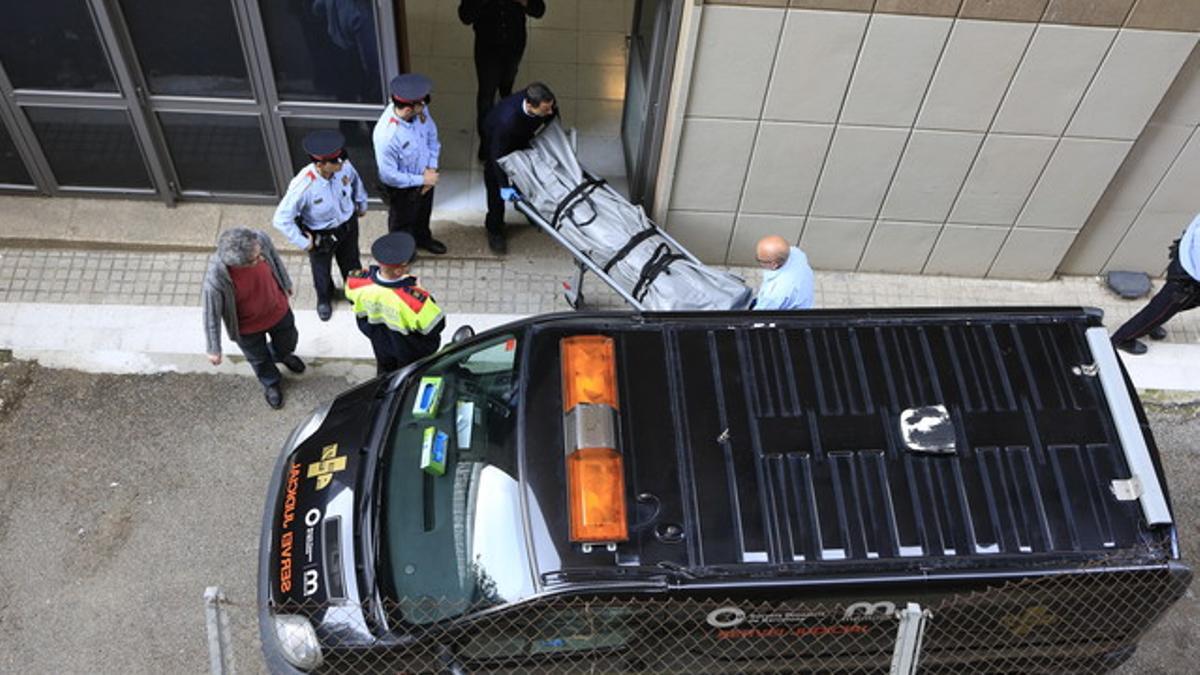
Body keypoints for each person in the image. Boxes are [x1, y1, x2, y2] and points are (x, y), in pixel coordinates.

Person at [203, 228, 306, 410]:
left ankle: (281, 355)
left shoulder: (260, 240)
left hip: (278, 309)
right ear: (239, 264)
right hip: (247, 327)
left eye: (259, 254)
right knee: (258, 359)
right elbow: (211, 313)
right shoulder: (217, 278)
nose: (261, 259)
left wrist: (286, 282)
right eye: (255, 260)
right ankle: (271, 382)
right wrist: (213, 348)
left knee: (288, 341)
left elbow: (274, 258)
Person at [273, 129, 367, 322]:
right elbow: (281, 219)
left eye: (341, 159)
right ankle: (324, 298)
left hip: (348, 225)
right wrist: (304, 243)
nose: (341, 163)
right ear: (320, 164)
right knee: (321, 271)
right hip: (320, 234)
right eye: (335, 162)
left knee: (352, 263)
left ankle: (356, 294)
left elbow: (356, 182)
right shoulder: (304, 185)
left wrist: (361, 203)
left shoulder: (344, 167)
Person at [345, 232, 446, 376]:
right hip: (410, 350)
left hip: (379, 343)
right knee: (409, 378)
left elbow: (353, 301)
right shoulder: (416, 302)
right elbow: (437, 325)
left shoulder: (356, 281)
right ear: (399, 270)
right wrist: (422, 293)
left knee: (384, 373)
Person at [458, 0, 546, 160]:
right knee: (486, 95)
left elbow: (539, 10)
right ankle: (487, 142)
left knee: (507, 83)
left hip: (514, 44)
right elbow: (465, 16)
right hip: (487, 47)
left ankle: (508, 124)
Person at [373, 73, 446, 255]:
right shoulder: (387, 135)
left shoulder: (419, 109)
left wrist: (431, 168)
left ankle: (422, 239)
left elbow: (432, 138)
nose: (425, 106)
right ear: (407, 109)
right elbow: (389, 175)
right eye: (421, 104)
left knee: (423, 214)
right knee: (402, 222)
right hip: (402, 188)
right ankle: (403, 252)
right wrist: (422, 180)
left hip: (426, 176)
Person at [481, 81, 558, 254]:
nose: (550, 112)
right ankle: (494, 229)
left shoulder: (544, 101)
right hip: (497, 143)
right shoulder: (505, 121)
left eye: (550, 107)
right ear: (530, 105)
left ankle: (529, 209)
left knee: (528, 176)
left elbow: (553, 115)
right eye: (545, 110)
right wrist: (504, 186)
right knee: (495, 187)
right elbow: (497, 156)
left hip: (520, 137)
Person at [1111, 214, 1200, 355]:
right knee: (1160, 310)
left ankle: (1152, 324)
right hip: (1187, 276)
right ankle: (1122, 339)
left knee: (1178, 305)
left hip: (1189, 261)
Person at [752, 235, 815, 310]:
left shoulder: (773, 294)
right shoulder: (796, 253)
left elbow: (760, 315)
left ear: (774, 264)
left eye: (759, 260)